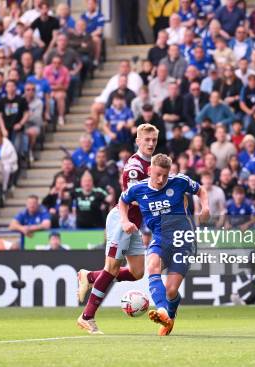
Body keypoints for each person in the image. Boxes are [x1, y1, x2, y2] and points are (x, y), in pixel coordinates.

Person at [76, 124, 158, 334]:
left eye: (153, 140)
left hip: (134, 225)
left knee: (137, 272)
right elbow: (134, 198)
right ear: (138, 141)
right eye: (146, 140)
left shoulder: (152, 165)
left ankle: (90, 276)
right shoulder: (134, 167)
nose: (150, 143)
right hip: (122, 222)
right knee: (112, 268)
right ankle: (87, 317)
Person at [119, 153, 209, 336]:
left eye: (165, 176)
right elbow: (123, 201)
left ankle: (170, 316)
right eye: (158, 174)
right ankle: (161, 311)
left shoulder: (180, 182)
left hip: (183, 240)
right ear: (150, 170)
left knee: (171, 290)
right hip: (159, 238)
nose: (161, 180)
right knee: (151, 266)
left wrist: (205, 207)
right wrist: (124, 221)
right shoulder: (138, 189)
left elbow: (201, 190)